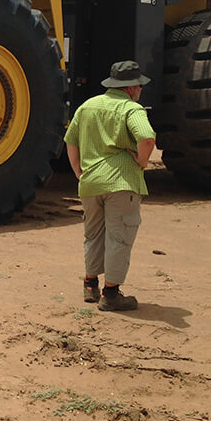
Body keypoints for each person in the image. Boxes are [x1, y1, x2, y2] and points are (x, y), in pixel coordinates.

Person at [64, 60, 156, 311]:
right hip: (121, 183)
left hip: (90, 182)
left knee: (93, 234)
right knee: (119, 237)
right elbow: (146, 138)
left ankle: (90, 284)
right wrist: (142, 161)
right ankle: (111, 294)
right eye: (139, 86)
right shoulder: (132, 109)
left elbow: (70, 140)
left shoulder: (87, 106)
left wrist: (78, 172)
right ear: (131, 88)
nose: (140, 90)